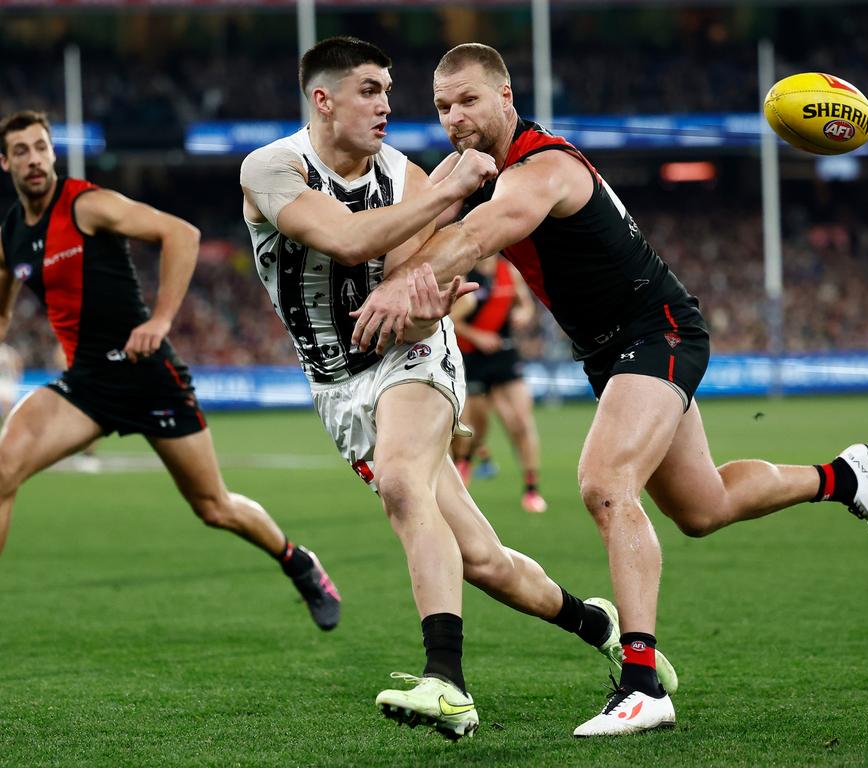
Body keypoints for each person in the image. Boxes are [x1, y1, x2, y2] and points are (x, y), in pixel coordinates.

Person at [350, 43, 868, 737]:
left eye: (466, 100)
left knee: (606, 483)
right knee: (703, 506)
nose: (453, 117)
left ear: (505, 96)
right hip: (609, 351)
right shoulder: (464, 172)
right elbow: (410, 235)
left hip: (658, 327)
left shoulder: (540, 167)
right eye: (440, 107)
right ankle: (844, 476)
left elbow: (475, 235)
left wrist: (404, 283)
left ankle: (642, 683)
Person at [239, 36, 676, 741]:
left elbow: (411, 275)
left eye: (388, 89)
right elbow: (348, 240)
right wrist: (449, 187)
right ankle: (597, 623)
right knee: (483, 561)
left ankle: (447, 683)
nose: (387, 105)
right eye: (369, 91)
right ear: (322, 99)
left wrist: (429, 296)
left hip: (415, 361)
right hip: (338, 386)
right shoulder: (274, 168)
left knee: (403, 485)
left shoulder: (406, 175)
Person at [0, 110, 341, 663]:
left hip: (149, 377)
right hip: (86, 385)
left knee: (213, 505)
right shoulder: (8, 238)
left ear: (53, 155)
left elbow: (180, 234)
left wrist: (159, 321)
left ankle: (297, 561)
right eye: (22, 151)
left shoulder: (86, 204)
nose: (35, 159)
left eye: (42, 147)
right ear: (4, 162)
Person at [449, 254, 547, 513]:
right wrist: (477, 335)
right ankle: (465, 461)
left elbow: (525, 305)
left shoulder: (509, 272)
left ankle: (531, 489)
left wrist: (522, 314)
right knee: (472, 427)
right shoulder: (464, 271)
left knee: (520, 422)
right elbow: (450, 321)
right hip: (470, 356)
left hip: (503, 354)